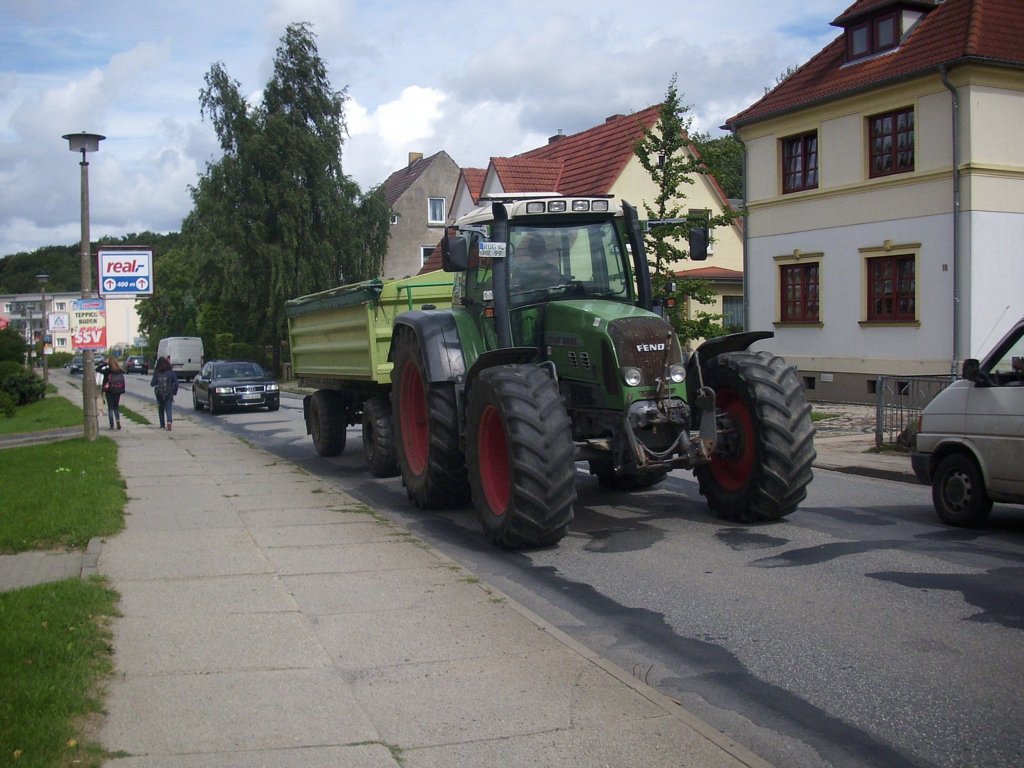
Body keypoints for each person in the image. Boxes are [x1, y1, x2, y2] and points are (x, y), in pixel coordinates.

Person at [150, 356, 179, 431]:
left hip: (159, 393)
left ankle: (162, 424)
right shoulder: (170, 372)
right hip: (169, 392)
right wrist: (174, 391)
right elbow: (176, 382)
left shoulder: (157, 372)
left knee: (161, 408)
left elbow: (152, 383)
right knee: (168, 407)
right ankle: (169, 421)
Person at [98, 356, 126, 430]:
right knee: (116, 407)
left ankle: (111, 425)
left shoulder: (107, 371)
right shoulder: (119, 370)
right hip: (118, 390)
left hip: (109, 391)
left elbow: (97, 369)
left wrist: (104, 364)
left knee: (110, 408)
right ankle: (118, 421)